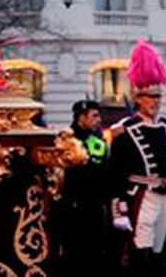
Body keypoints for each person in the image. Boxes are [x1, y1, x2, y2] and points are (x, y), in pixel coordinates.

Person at [108, 39, 166, 276]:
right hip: (140, 195)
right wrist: (119, 210)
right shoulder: (124, 130)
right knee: (140, 250)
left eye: (158, 97)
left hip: (165, 196)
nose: (155, 102)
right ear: (138, 99)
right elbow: (115, 173)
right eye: (149, 97)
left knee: (161, 249)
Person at [53, 99, 109, 274]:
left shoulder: (98, 142)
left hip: (95, 205)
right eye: (94, 116)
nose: (98, 120)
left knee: (96, 253)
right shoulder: (64, 141)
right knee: (73, 254)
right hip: (71, 206)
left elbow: (105, 170)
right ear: (81, 117)